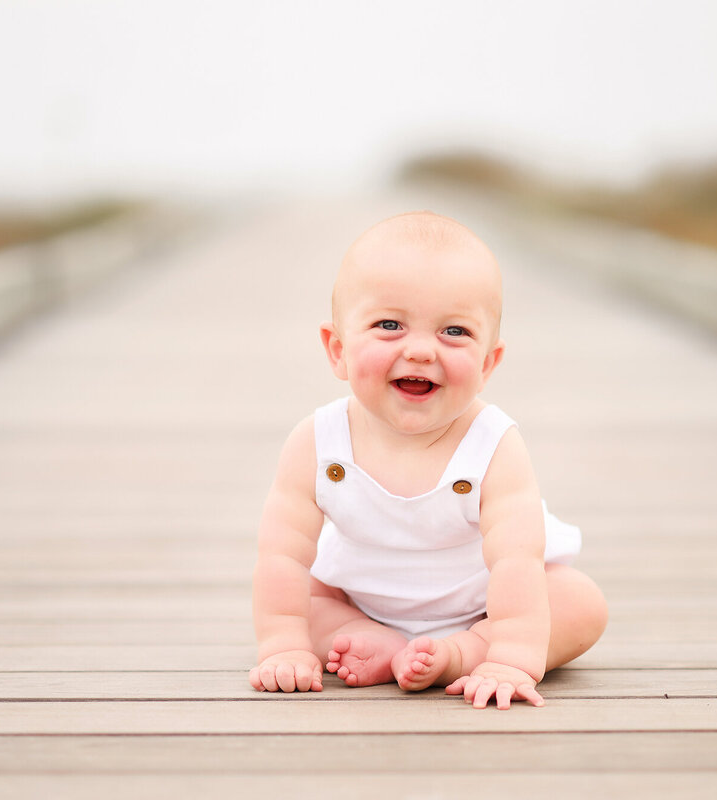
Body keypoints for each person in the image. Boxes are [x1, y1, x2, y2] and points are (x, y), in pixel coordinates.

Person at [249, 211, 608, 709]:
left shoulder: (494, 445)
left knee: (579, 601)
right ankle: (373, 640)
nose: (420, 350)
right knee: (303, 599)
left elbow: (515, 561)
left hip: (486, 608)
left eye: (454, 331)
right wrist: (284, 645)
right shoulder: (317, 441)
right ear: (337, 349)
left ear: (487, 364)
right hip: (359, 600)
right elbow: (282, 554)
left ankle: (462, 653)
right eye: (389, 325)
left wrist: (510, 655)